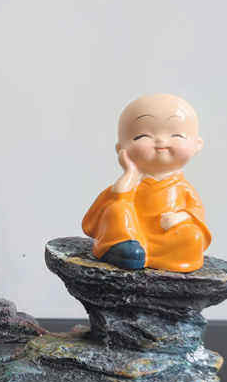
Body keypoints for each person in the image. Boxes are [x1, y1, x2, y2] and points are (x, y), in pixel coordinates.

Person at [82, 94, 210, 272]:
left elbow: (195, 211)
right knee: (117, 209)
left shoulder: (182, 187)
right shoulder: (134, 181)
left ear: (197, 145)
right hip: (132, 233)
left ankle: (161, 256)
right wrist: (130, 172)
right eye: (143, 136)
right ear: (121, 148)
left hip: (167, 234)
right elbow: (119, 197)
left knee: (193, 236)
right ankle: (122, 247)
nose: (161, 141)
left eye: (177, 135)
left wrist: (179, 217)